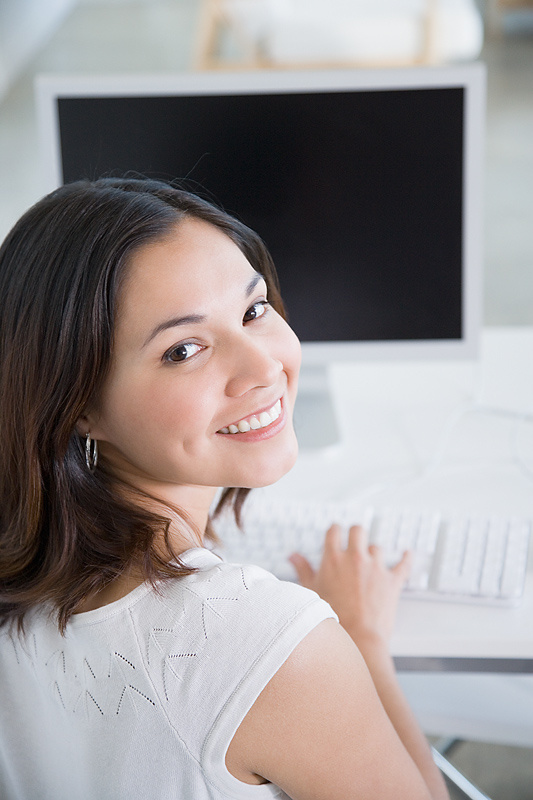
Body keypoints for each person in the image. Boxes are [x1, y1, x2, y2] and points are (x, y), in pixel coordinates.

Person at [0, 178, 448, 800]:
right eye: (184, 349)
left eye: (253, 310)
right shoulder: (262, 644)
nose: (265, 366)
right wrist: (362, 645)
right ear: (78, 405)